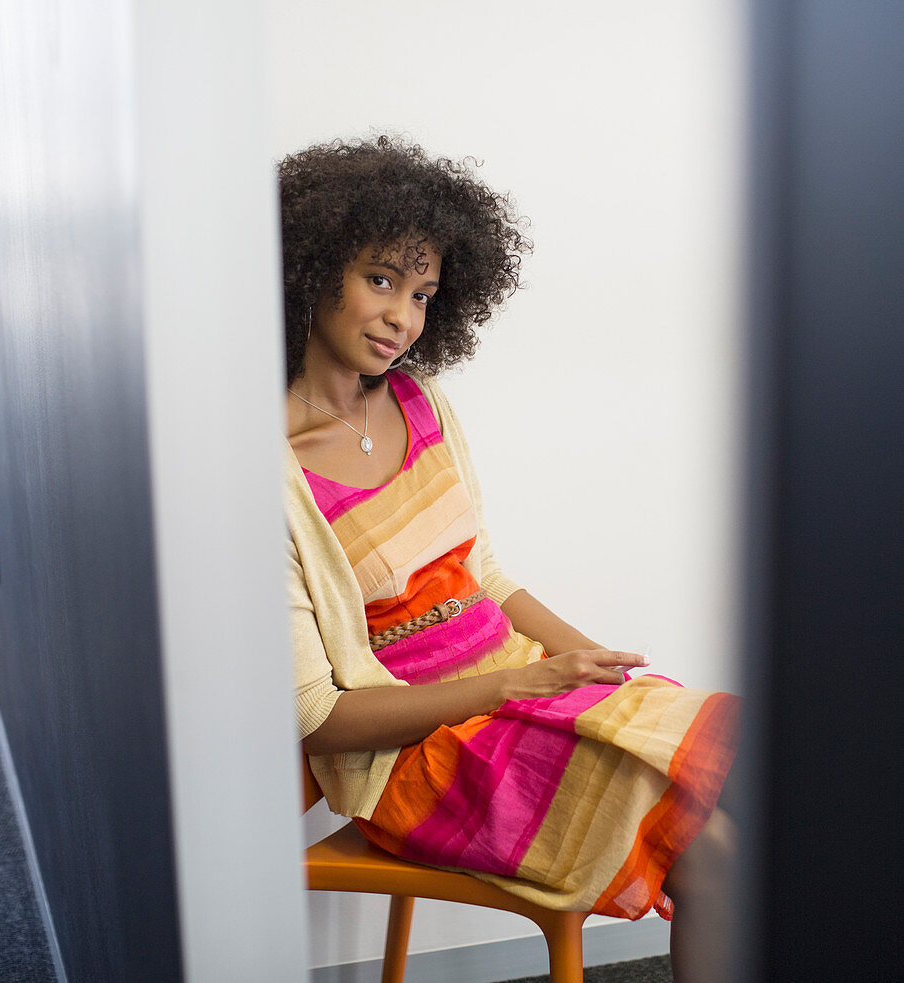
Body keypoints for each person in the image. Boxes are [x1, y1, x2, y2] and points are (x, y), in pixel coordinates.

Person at [282, 136, 739, 983]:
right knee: (712, 845)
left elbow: (484, 578)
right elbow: (320, 716)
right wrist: (512, 689)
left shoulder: (422, 404)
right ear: (311, 268)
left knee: (747, 765)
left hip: (520, 686)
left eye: (422, 294)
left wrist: (586, 664)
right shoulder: (269, 470)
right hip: (417, 754)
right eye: (379, 280)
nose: (401, 318)